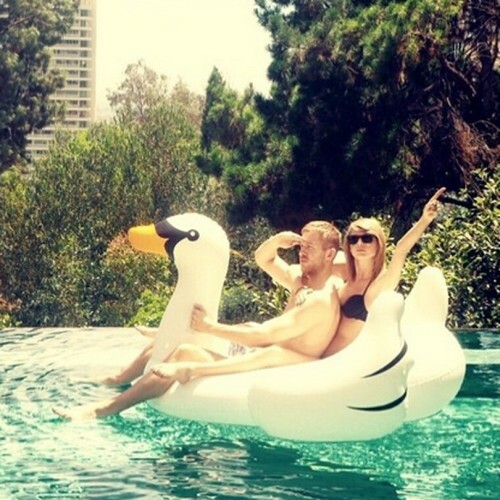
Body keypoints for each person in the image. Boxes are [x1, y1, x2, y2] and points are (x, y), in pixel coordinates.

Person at [52, 221, 342, 419]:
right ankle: (117, 382)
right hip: (262, 354)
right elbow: (263, 259)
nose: (301, 253)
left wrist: (209, 327)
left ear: (330, 254)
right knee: (177, 343)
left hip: (279, 365)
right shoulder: (300, 280)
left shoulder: (321, 299)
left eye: (310, 248)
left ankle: (104, 409)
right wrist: (277, 241)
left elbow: (266, 335)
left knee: (187, 350)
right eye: (301, 246)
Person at [321, 187, 446, 356]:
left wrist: (425, 219)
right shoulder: (344, 272)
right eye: (353, 239)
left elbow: (401, 249)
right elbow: (309, 269)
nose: (359, 244)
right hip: (320, 355)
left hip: (344, 361)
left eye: (367, 238)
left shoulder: (380, 284)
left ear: (378, 243)